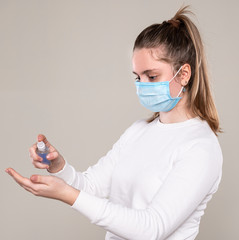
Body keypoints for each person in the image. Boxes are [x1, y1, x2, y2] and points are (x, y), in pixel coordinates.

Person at [5, 5, 223, 240]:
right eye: (137, 77)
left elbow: (152, 229)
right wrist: (58, 166)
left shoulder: (201, 147)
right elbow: (90, 186)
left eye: (152, 76)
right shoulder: (138, 131)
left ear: (184, 74)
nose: (142, 85)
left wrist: (68, 195)